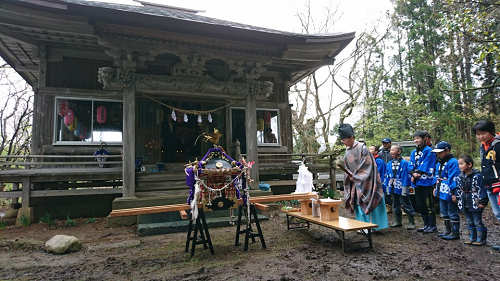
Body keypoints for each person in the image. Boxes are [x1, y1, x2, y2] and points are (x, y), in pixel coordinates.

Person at [338, 124, 388, 231]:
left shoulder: (362, 148)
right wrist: (349, 176)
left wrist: (356, 176)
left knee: (368, 200)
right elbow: (347, 165)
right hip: (355, 182)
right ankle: (362, 225)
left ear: (352, 137)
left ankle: (375, 226)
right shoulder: (347, 150)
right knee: (357, 202)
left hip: (367, 180)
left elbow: (367, 165)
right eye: (342, 140)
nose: (344, 142)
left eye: (346, 139)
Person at [472, 120, 500, 250]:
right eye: (478, 134)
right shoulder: (483, 147)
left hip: (498, 183)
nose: (480, 136)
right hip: (489, 184)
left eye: (483, 133)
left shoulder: (497, 145)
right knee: (498, 214)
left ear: (491, 132)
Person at [455, 155, 488, 245]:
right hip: (464, 201)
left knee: (477, 221)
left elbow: (482, 189)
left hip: (475, 201)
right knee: (469, 220)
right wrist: (457, 199)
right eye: (459, 164)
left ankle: (481, 239)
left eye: (462, 164)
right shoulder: (459, 176)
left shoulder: (477, 176)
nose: (460, 166)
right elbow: (458, 189)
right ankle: (472, 237)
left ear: (469, 164)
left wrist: (483, 201)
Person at [408, 130, 437, 233]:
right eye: (415, 139)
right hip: (417, 181)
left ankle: (432, 225)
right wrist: (412, 173)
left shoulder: (429, 150)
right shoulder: (413, 152)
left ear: (424, 138)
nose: (416, 140)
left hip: (426, 180)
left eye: (418, 138)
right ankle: (426, 224)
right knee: (420, 204)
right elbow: (410, 164)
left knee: (428, 203)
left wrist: (418, 173)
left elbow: (427, 164)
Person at [432, 141, 460, 240]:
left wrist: (453, 193)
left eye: (440, 152)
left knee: (452, 210)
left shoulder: (453, 162)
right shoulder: (439, 161)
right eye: (437, 152)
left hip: (449, 188)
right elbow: (436, 175)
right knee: (444, 211)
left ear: (447, 151)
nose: (438, 154)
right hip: (441, 188)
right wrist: (435, 187)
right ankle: (448, 230)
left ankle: (455, 232)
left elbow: (454, 177)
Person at [384, 145, 416, 229]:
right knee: (395, 203)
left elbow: (406, 175)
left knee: (406, 203)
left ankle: (411, 221)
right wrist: (387, 188)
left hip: (401, 185)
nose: (391, 151)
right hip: (393, 185)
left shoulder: (404, 163)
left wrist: (405, 188)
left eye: (393, 150)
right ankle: (398, 221)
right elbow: (387, 176)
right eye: (390, 150)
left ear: (399, 152)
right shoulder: (389, 163)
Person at [370, 146, 392, 213]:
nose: (369, 150)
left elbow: (379, 173)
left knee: (383, 196)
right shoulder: (371, 160)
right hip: (373, 182)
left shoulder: (379, 161)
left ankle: (386, 207)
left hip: (380, 182)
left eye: (371, 149)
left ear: (376, 152)